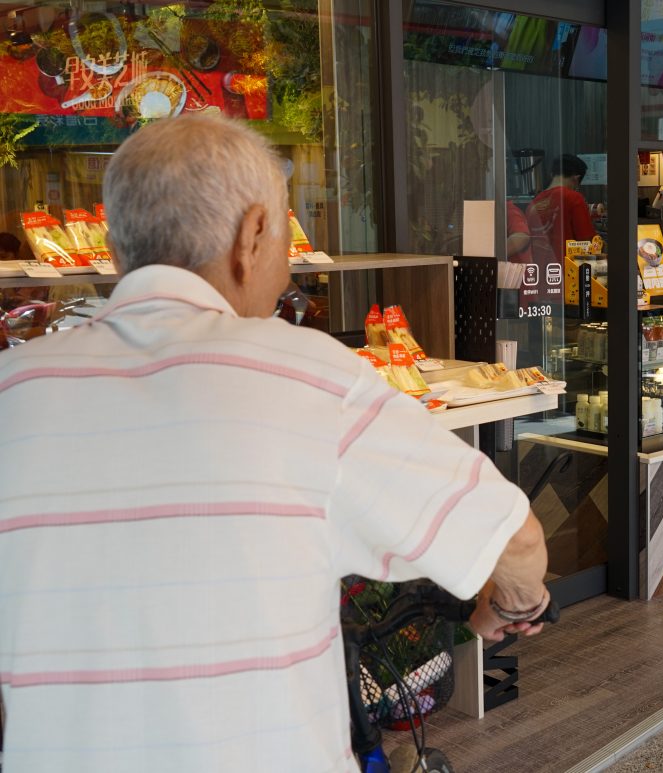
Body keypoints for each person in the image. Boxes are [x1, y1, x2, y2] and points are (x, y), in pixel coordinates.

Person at [0, 114, 551, 772]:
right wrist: (518, 601)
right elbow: (514, 539)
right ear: (253, 233)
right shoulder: (308, 376)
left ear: (119, 244)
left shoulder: (14, 389)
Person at [526, 153, 597, 262]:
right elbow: (586, 241)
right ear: (576, 179)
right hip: (567, 270)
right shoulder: (573, 198)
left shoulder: (534, 203)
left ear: (552, 174)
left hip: (539, 271)